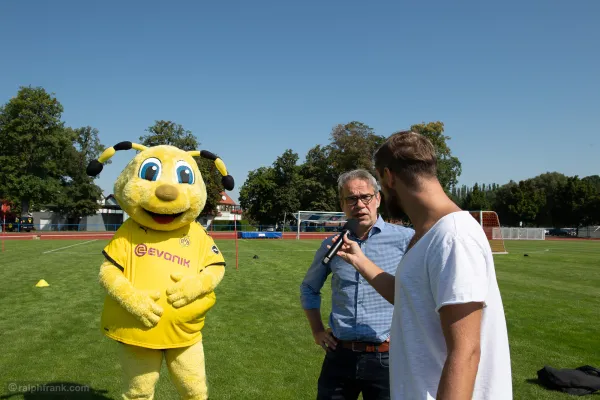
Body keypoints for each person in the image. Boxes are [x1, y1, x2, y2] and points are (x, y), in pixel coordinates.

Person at [332, 131, 512, 399]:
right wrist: (359, 259)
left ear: (389, 177)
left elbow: (466, 351)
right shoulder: (427, 234)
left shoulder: (453, 236)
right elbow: (408, 296)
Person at [300, 169, 414, 400]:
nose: (359, 204)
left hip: (388, 357)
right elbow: (309, 288)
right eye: (351, 199)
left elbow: (418, 295)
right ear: (342, 204)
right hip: (340, 355)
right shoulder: (331, 245)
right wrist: (317, 331)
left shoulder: (405, 239)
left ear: (378, 199)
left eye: (366, 197)